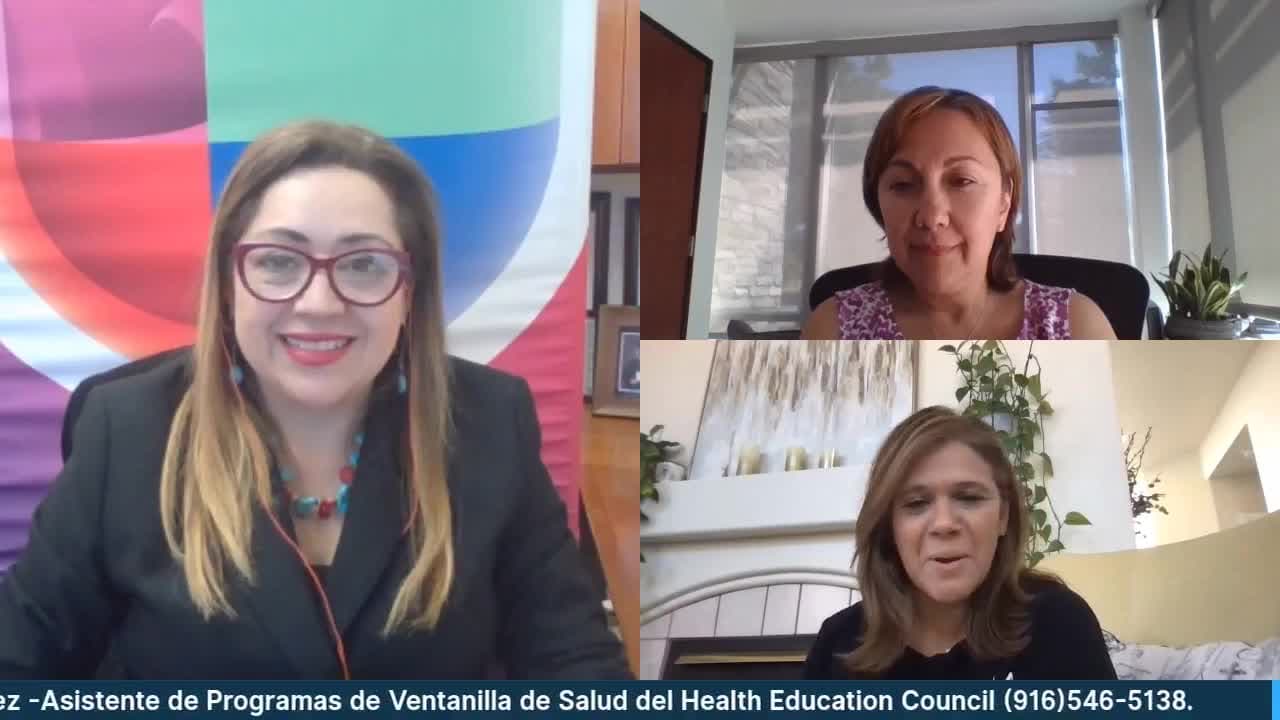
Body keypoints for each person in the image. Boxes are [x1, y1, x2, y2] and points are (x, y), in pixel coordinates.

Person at [0, 120, 629, 680]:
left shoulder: (490, 422)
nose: (320, 303)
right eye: (278, 261)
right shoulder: (127, 429)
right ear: (229, 281)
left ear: (410, 290)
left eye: (363, 264)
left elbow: (572, 658)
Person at [804, 406, 1116, 680]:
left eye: (969, 498)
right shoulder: (837, 644)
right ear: (889, 527)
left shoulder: (1059, 623)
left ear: (1003, 516)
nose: (944, 524)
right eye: (916, 503)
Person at [802, 86, 1117, 340]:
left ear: (1004, 203)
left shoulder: (1076, 328)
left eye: (962, 181)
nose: (931, 217)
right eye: (903, 184)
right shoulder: (833, 331)